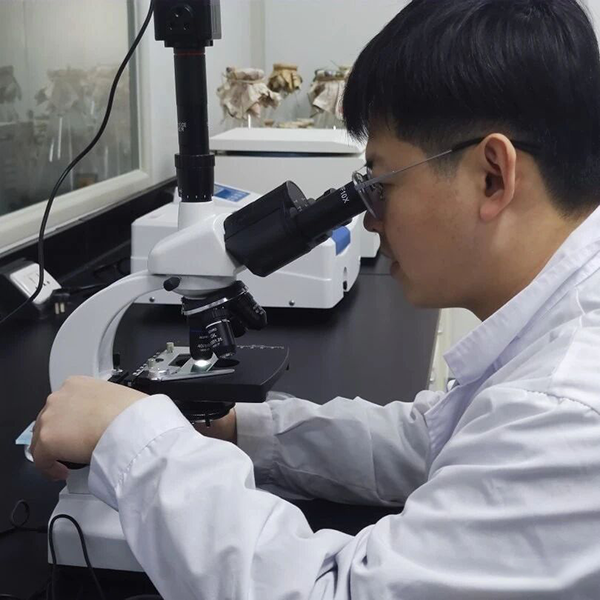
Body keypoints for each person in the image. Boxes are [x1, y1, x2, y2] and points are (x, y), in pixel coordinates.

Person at [31, 0, 600, 597]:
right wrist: (239, 429)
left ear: (492, 176)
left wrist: (134, 441)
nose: (371, 222)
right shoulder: (553, 335)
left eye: (379, 186)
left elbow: (334, 592)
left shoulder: (561, 411)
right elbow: (430, 443)